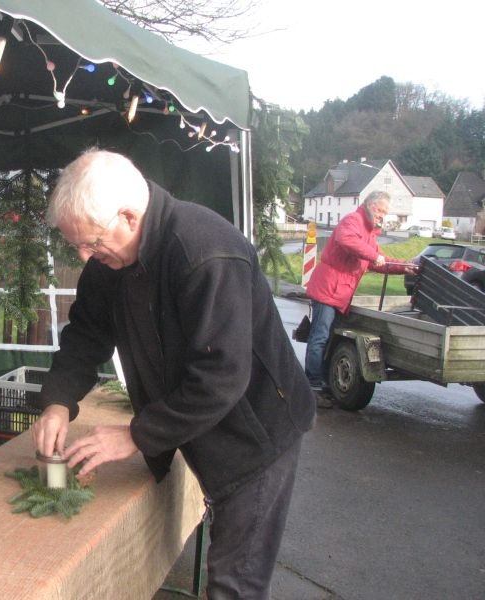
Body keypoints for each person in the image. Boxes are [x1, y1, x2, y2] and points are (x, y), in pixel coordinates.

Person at [31, 148, 315, 600]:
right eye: (76, 245)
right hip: (204, 420)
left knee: (235, 581)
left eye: (91, 243)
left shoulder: (205, 251)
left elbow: (221, 375)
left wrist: (137, 435)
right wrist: (58, 402)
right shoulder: (110, 260)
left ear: (129, 217)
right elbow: (86, 335)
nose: (85, 256)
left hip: (256, 434)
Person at [304, 190, 412, 408]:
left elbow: (378, 261)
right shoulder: (353, 221)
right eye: (381, 210)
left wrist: (405, 267)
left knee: (327, 339)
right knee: (320, 338)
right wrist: (374, 256)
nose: (382, 216)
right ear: (370, 205)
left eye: (385, 212)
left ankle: (323, 383)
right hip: (328, 290)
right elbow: (347, 240)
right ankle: (312, 387)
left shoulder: (369, 233)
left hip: (339, 294)